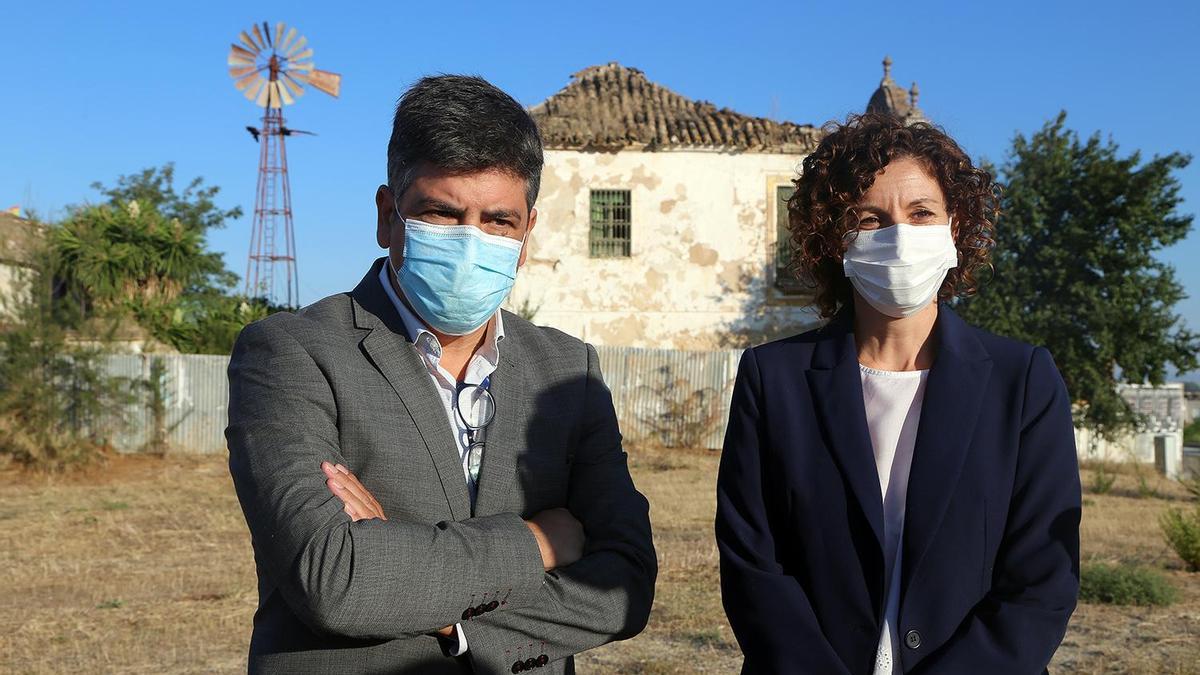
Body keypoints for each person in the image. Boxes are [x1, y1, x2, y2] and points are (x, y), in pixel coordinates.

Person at [226, 75, 656, 674]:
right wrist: (543, 541)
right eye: (442, 213)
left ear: (527, 233)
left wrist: (442, 610)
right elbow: (338, 578)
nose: (471, 240)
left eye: (498, 221)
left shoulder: (566, 370)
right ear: (387, 215)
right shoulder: (292, 353)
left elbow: (625, 585)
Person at [716, 113, 1080, 674]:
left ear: (955, 226)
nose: (899, 236)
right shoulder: (773, 379)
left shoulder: (1023, 382)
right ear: (834, 239)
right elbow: (753, 568)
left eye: (921, 213)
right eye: (869, 218)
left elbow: (1041, 582)